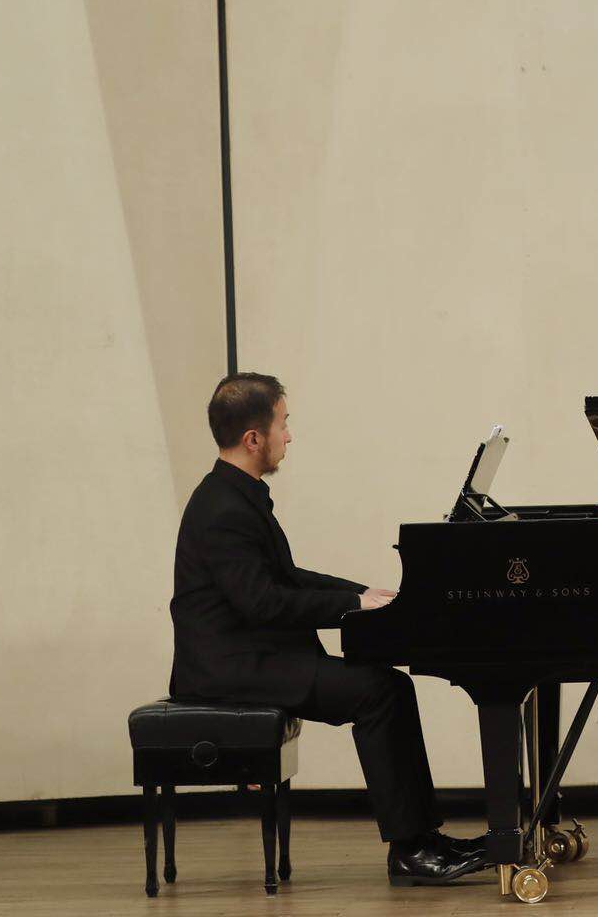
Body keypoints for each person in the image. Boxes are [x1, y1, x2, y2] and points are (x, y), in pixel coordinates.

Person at [170, 373, 488, 886]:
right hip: (228, 670)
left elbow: (287, 577)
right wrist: (350, 605)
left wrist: (364, 594)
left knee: (388, 687)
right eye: (282, 424)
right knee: (380, 692)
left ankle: (422, 840)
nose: (289, 436)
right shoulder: (222, 509)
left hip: (249, 658)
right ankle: (411, 849)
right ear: (253, 438)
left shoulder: (233, 496)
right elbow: (262, 602)